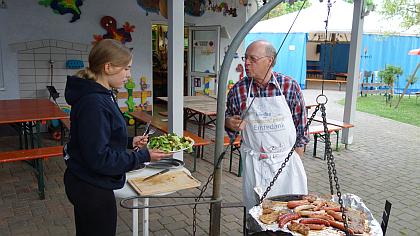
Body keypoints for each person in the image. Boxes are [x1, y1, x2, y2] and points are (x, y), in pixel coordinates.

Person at [63, 39, 172, 236]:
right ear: (108, 67)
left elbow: (99, 137)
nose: (129, 75)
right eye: (126, 68)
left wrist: (130, 142)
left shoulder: (102, 94)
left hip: (89, 182)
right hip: (90, 187)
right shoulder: (93, 103)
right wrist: (143, 156)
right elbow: (99, 158)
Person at [225, 40, 309, 211]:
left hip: (286, 164)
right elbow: (228, 119)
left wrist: (294, 161)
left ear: (269, 60)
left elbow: (302, 129)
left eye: (252, 59)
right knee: (256, 213)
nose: (246, 63)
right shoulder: (239, 90)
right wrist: (229, 123)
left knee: (288, 212)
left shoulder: (289, 86)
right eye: (245, 58)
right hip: (254, 163)